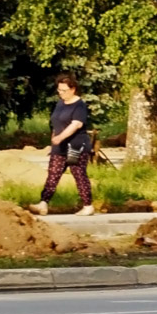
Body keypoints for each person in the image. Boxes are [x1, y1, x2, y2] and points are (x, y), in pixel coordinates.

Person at [29, 74, 94, 217]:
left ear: (73, 89)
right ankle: (43, 203)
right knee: (53, 174)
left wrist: (60, 137)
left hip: (75, 146)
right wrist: (54, 137)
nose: (61, 93)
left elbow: (76, 124)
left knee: (78, 174)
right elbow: (56, 121)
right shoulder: (60, 104)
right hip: (60, 146)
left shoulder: (79, 105)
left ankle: (87, 206)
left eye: (64, 90)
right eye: (59, 90)